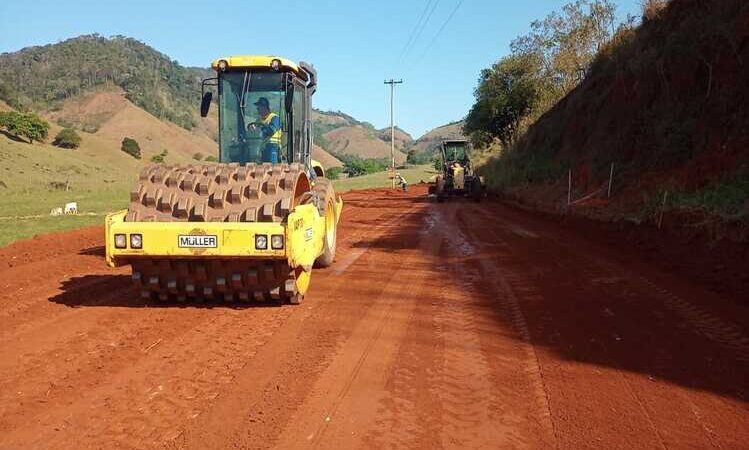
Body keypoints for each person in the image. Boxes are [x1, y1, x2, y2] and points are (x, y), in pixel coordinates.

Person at [248, 97, 282, 163]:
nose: (257, 109)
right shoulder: (258, 120)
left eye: (259, 108)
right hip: (260, 147)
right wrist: (251, 129)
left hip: (272, 147)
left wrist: (260, 130)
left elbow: (271, 131)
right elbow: (254, 131)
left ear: (265, 107)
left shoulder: (275, 118)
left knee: (272, 168)